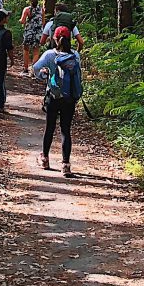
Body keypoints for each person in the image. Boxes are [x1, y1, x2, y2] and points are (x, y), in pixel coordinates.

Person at [31, 27, 83, 176]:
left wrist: (44, 76)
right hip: (69, 98)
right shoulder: (76, 55)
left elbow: (35, 69)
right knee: (65, 130)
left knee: (49, 128)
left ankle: (45, 159)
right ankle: (66, 165)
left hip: (53, 96)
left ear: (54, 38)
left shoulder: (49, 55)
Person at [18, 0, 44, 71]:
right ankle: (34, 69)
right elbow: (43, 22)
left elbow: (22, 21)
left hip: (29, 32)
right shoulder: (42, 10)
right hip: (38, 32)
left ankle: (25, 68)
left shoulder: (27, 9)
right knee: (36, 51)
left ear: (30, 0)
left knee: (26, 50)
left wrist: (21, 21)